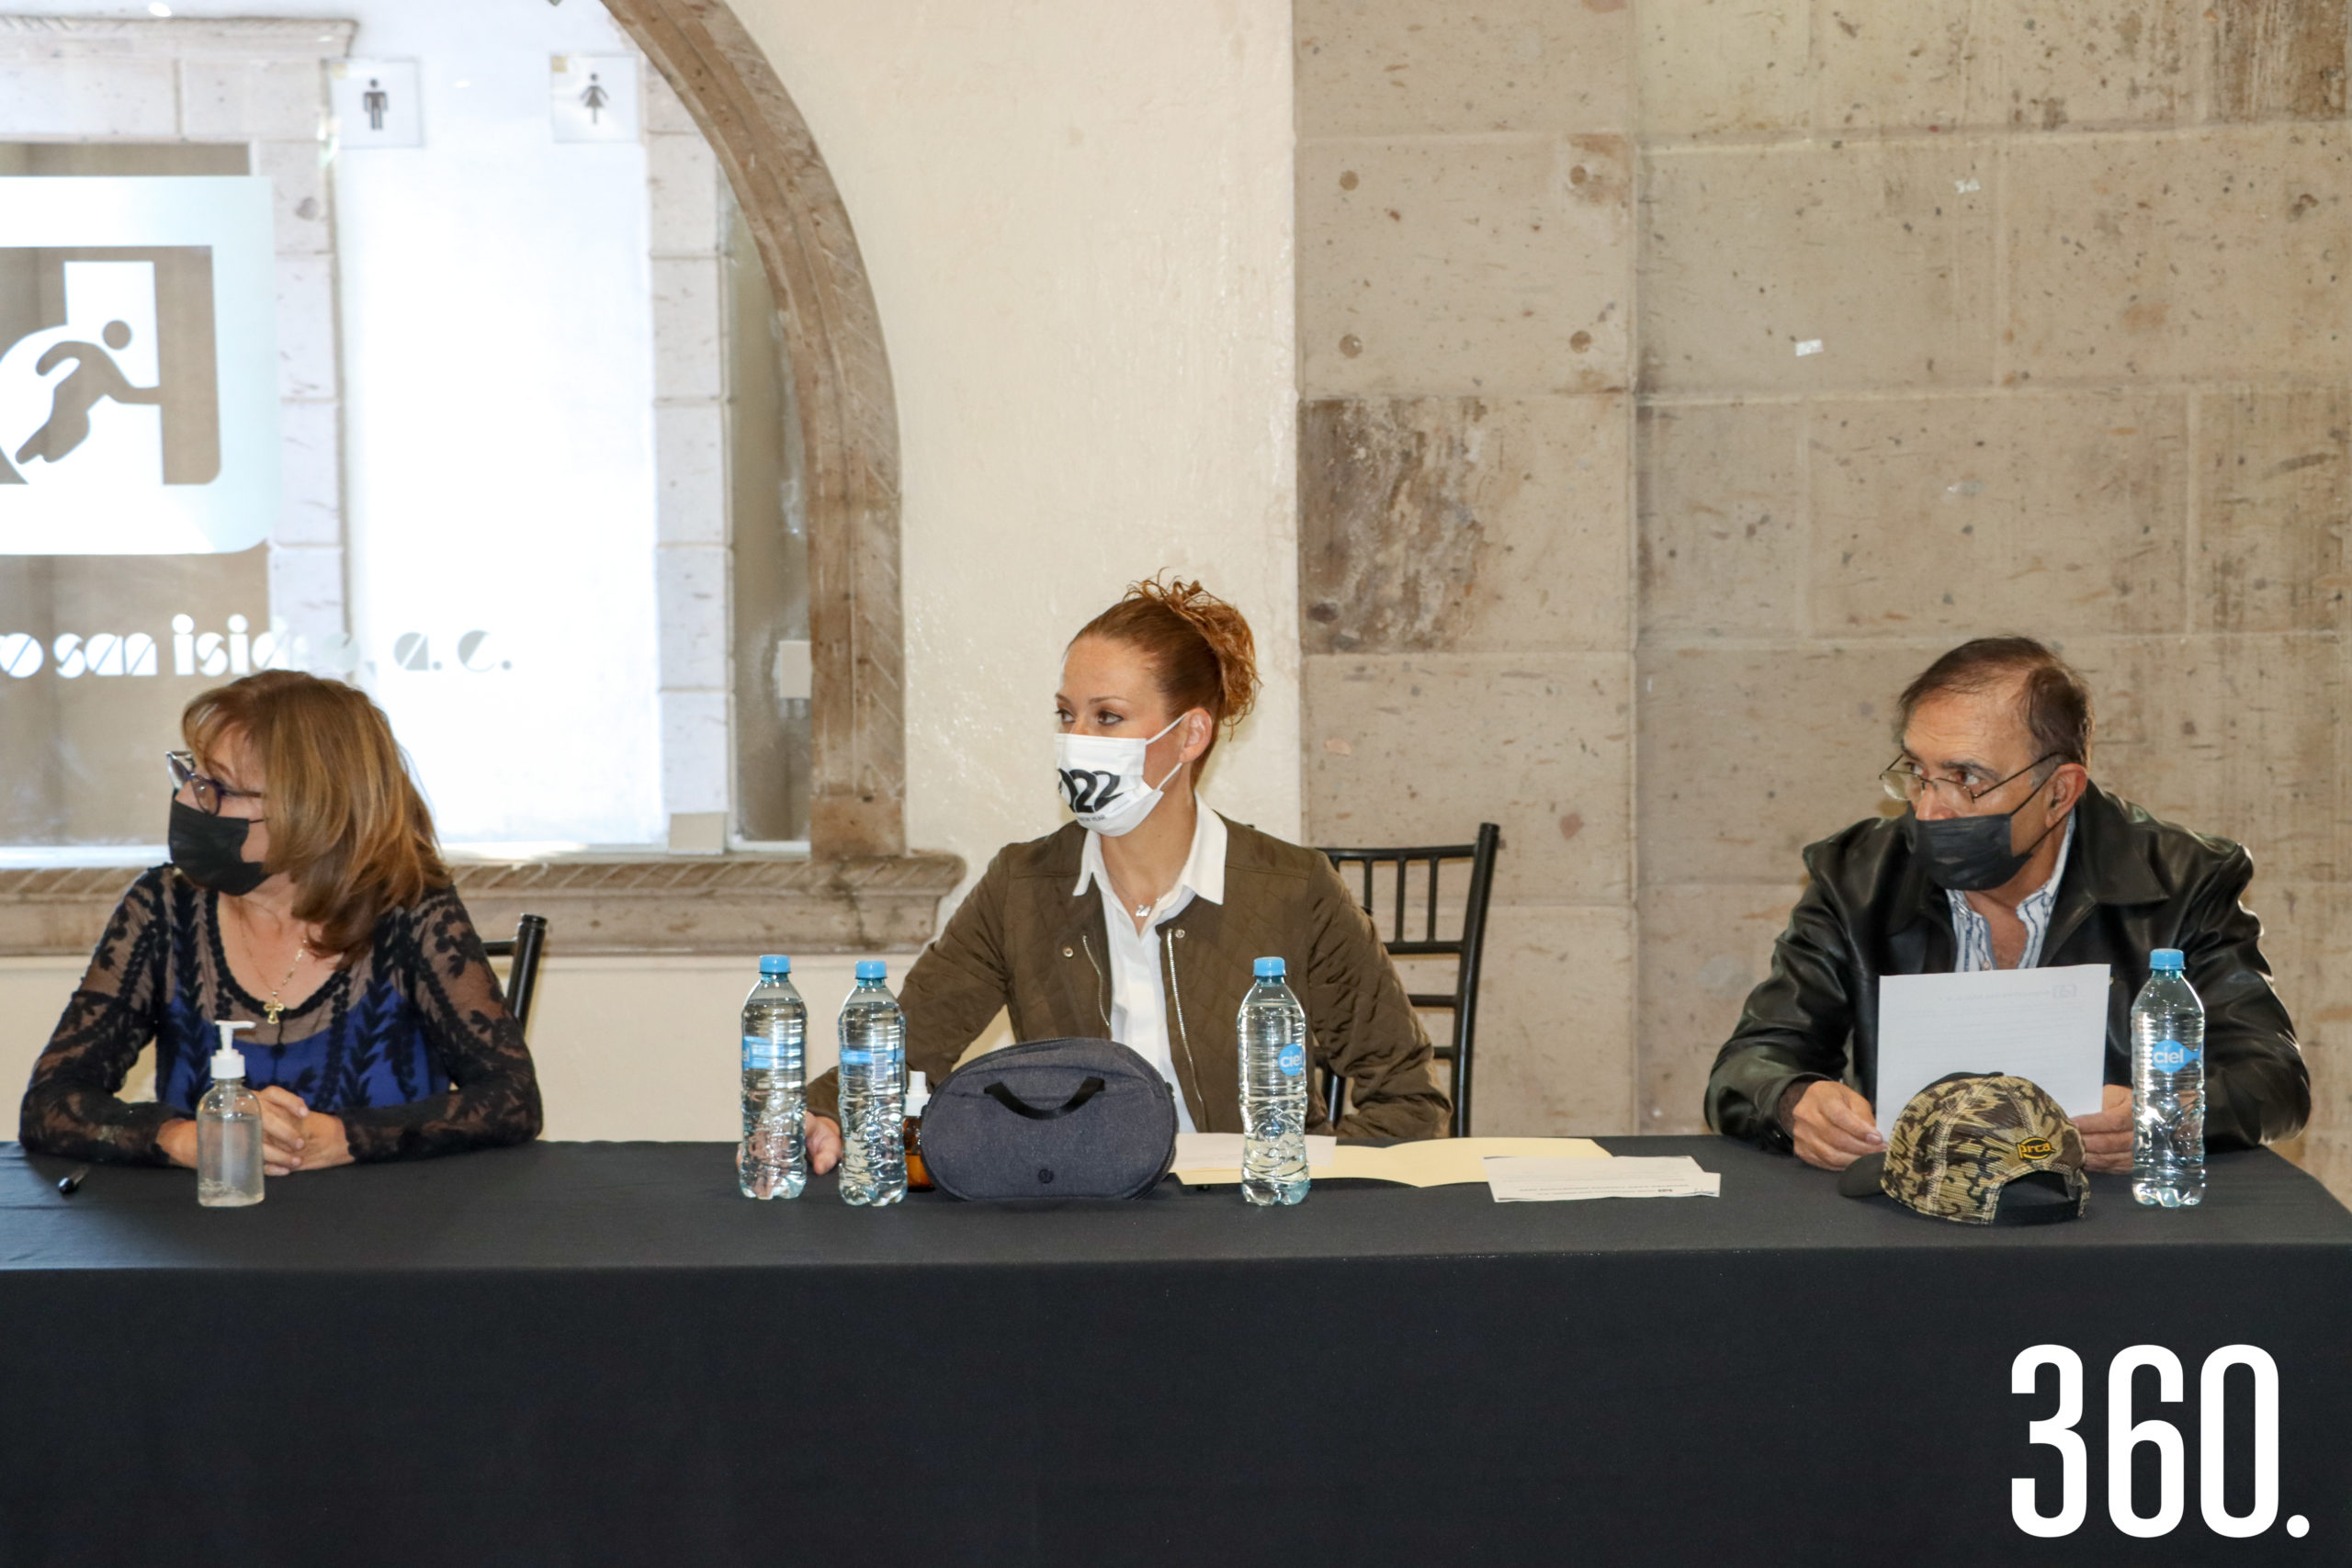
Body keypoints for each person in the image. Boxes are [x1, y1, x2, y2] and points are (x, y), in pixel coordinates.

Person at [802, 576, 1447, 1171]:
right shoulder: (1021, 885)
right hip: (1080, 1220)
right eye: (1066, 714)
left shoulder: (1294, 889)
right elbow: (906, 1051)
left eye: (1106, 716)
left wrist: (1295, 1180)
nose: (1077, 737)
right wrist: (825, 1109)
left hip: (1251, 1230)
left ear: (1191, 733)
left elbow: (1408, 1103)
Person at [1706, 637, 2308, 1175]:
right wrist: (1793, 1101)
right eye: (1919, 771)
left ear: (2058, 792)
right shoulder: (1859, 876)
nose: (1929, 808)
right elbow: (1751, 1063)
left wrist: (2165, 1113)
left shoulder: (2181, 881)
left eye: (1967, 777)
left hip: (2108, 1224)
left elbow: (2272, 1079)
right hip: (1911, 1214)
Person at [19, 671, 543, 1171]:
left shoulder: (410, 908)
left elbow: (512, 1099)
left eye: (217, 788)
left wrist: (347, 1137)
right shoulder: (163, 905)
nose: (185, 799)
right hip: (204, 1231)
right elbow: (51, 1102)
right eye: (191, 774)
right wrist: (181, 1137)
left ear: (312, 810)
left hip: (387, 1235)